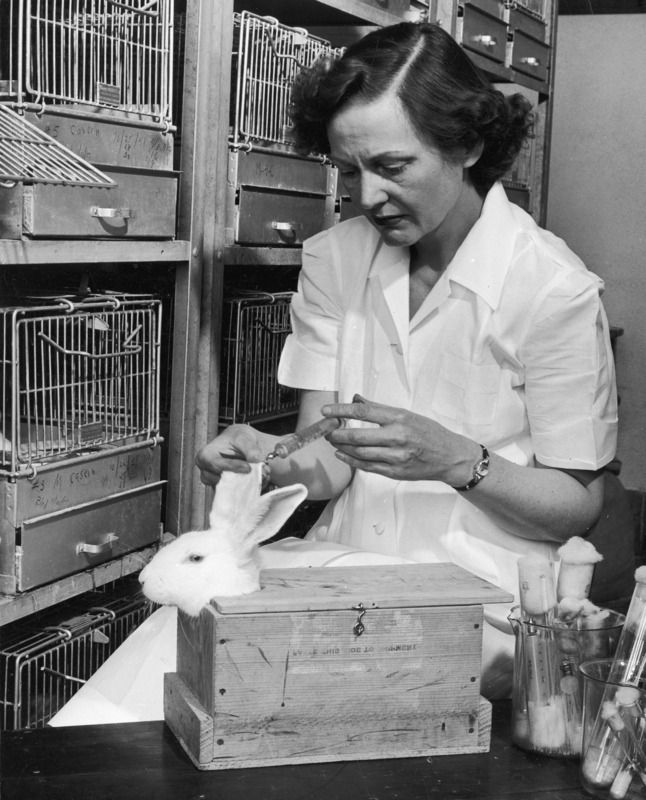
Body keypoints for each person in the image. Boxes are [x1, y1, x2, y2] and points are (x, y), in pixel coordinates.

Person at [196, 21, 619, 698]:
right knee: (189, 655)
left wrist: (459, 461)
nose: (366, 197)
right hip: (343, 569)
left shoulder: (552, 288)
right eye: (348, 170)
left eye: (392, 167)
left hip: (482, 605)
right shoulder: (336, 259)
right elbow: (329, 460)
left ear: (468, 145)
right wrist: (265, 460)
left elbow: (575, 507)